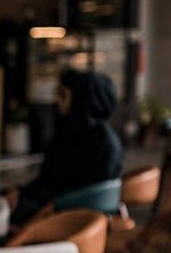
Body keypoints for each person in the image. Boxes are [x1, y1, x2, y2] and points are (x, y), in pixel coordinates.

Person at [10, 68, 123, 226]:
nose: (57, 100)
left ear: (81, 99)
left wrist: (21, 194)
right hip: (69, 213)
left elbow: (59, 186)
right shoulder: (99, 137)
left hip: (59, 216)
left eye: (63, 95)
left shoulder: (90, 142)